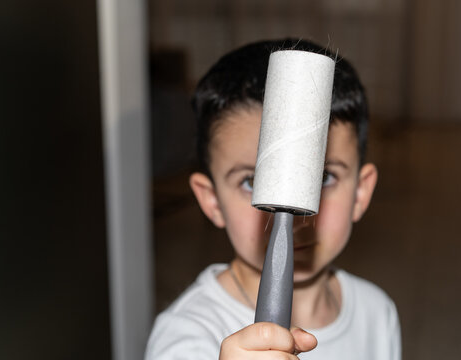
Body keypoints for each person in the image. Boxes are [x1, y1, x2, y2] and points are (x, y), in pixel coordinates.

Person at [145, 38, 401, 360]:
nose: (295, 221)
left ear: (361, 193)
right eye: (250, 181)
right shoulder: (186, 336)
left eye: (324, 177)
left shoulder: (377, 313)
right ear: (211, 201)